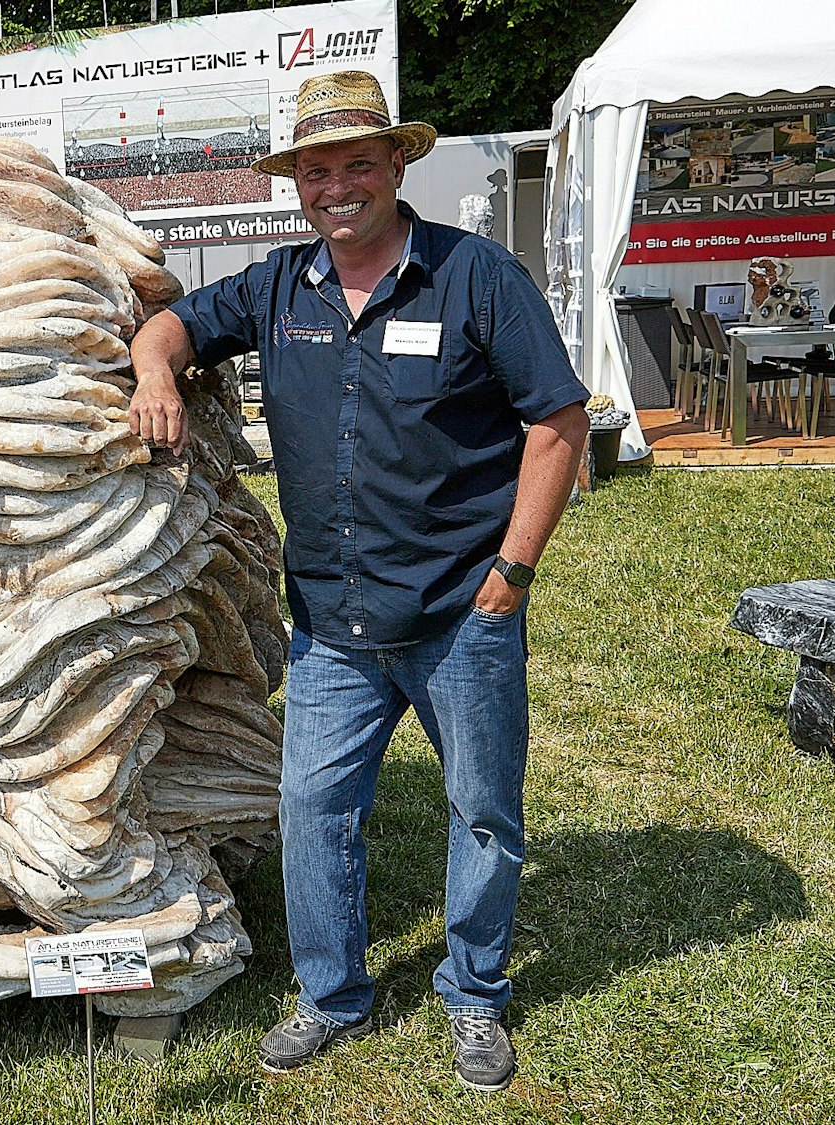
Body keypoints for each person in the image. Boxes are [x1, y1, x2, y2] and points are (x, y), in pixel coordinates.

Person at [127, 70, 590, 1093]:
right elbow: (170, 327)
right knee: (313, 811)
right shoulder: (278, 286)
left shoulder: (476, 277)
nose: (333, 185)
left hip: (457, 613)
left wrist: (510, 570)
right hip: (330, 623)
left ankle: (473, 995)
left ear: (394, 166)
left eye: (353, 165)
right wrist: (155, 369)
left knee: (481, 813)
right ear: (297, 183)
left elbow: (556, 422)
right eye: (314, 169)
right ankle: (331, 997)